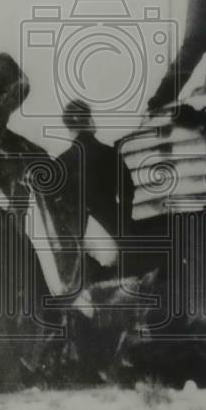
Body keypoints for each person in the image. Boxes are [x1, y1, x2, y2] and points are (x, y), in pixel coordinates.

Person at [56, 99, 134, 281]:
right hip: (115, 234)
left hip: (83, 245)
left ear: (70, 129)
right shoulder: (109, 153)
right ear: (90, 122)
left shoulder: (61, 163)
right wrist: (124, 223)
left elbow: (59, 209)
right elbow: (127, 192)